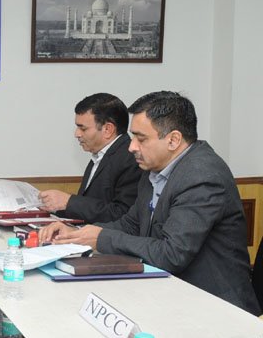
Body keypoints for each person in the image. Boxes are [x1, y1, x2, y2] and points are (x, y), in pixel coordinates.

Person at [40, 91, 259, 314]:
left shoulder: (202, 176)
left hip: (216, 308)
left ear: (173, 140)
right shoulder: (153, 169)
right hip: (170, 294)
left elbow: (171, 254)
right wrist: (78, 233)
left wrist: (101, 238)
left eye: (141, 138)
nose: (131, 146)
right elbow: (132, 224)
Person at [39, 93, 142, 223]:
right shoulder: (100, 155)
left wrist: (69, 202)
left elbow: (122, 214)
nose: (77, 134)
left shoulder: (131, 158)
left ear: (107, 129)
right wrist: (55, 206)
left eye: (83, 128)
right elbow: (91, 205)